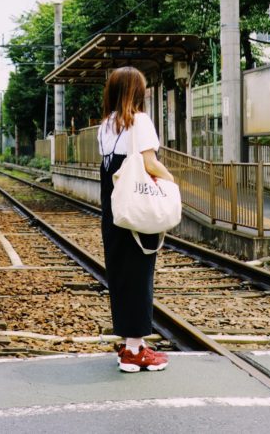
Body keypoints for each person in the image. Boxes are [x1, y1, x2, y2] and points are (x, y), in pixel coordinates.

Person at [97, 66, 175, 373]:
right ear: (137, 92)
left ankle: (134, 344)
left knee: (122, 276)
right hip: (138, 212)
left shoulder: (105, 126)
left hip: (115, 210)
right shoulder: (140, 121)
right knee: (139, 276)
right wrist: (172, 181)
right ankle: (133, 351)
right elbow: (148, 162)